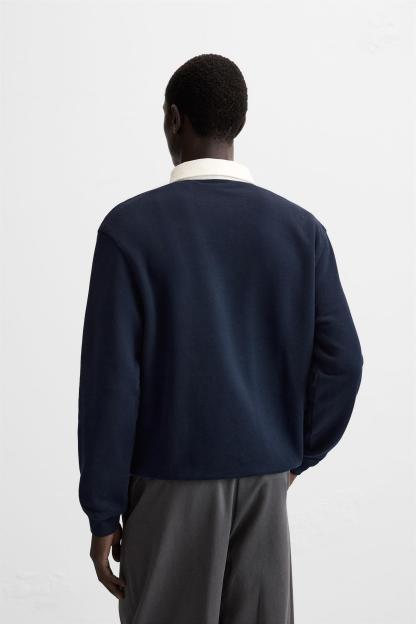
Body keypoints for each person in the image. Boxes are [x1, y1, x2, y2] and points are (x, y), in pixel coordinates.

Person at [77, 53, 363, 624]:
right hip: (264, 483)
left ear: (174, 119)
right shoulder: (300, 231)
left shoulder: (129, 230)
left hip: (167, 482)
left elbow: (111, 382)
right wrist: (293, 457)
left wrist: (104, 512)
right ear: (239, 123)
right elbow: (343, 362)